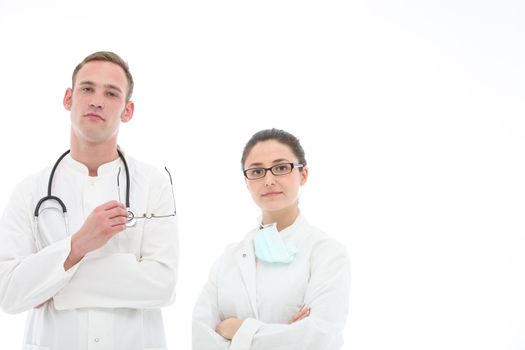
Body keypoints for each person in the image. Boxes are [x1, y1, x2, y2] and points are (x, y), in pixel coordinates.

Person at [0, 51, 178, 350]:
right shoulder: (29, 191)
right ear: (68, 98)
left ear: (127, 110)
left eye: (111, 93)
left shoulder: (153, 184)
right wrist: (78, 244)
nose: (97, 100)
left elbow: (163, 285)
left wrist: (53, 282)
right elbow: (8, 292)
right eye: (87, 89)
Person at [192, 128, 350, 349]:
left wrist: (237, 330)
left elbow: (317, 338)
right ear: (246, 182)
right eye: (257, 172)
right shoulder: (228, 260)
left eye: (281, 168)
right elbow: (201, 339)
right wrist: (286, 334)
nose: (268, 180)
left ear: (302, 175)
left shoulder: (327, 253)